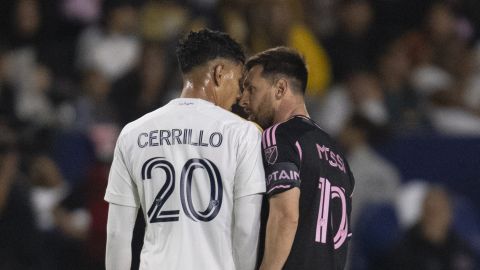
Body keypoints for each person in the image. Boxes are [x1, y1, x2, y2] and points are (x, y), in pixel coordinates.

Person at [104, 29, 266, 270]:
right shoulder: (242, 134)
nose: (239, 95)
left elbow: (117, 233)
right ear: (220, 73)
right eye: (239, 81)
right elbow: (245, 230)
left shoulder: (133, 134)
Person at [240, 47, 355, 270]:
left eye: (251, 89)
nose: (243, 100)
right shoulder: (339, 155)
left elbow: (285, 215)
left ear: (280, 88)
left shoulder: (280, 135)